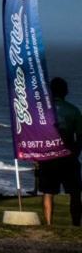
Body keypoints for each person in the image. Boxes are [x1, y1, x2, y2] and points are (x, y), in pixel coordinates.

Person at [39, 77, 82, 226]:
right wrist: (76, 153)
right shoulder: (74, 110)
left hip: (49, 156)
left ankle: (49, 224)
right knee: (75, 192)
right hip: (68, 156)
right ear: (66, 91)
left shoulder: (43, 112)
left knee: (48, 192)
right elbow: (80, 136)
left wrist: (37, 155)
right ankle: (76, 224)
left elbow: (37, 135)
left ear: (50, 91)